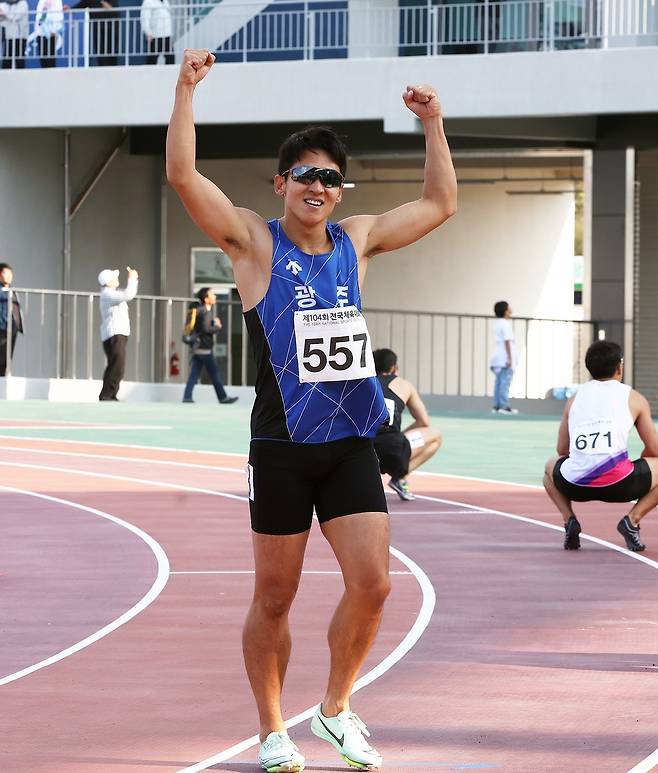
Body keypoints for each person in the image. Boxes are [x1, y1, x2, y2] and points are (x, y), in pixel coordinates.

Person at [166, 48, 457, 772]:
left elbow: (439, 204)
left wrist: (434, 125)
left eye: (331, 176)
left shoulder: (355, 240)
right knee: (274, 595)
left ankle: (334, 707)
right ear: (282, 183)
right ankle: (272, 729)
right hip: (284, 445)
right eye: (307, 175)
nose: (320, 186)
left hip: (354, 436)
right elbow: (180, 175)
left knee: (376, 583)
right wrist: (185, 90)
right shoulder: (253, 242)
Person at [543, 340, 658, 553]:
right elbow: (654, 449)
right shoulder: (634, 397)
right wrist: (644, 463)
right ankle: (632, 521)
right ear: (619, 367)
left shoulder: (574, 399)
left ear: (589, 369)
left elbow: (562, 450)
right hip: (621, 484)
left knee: (549, 468)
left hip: (574, 484)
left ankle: (569, 520)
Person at [373, 348, 442, 501]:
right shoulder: (403, 384)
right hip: (393, 449)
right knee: (435, 435)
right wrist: (401, 435)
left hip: (363, 450)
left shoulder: (363, 383)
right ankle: (400, 477)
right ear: (394, 368)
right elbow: (423, 421)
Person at [182, 287, 238, 404]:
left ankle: (187, 396)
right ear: (206, 299)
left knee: (195, 374)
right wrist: (217, 326)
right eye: (212, 295)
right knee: (215, 374)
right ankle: (223, 397)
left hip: (199, 348)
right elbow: (205, 329)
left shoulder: (201, 310)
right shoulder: (204, 312)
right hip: (204, 349)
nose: (215, 296)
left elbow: (202, 327)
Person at [98, 266, 138, 401]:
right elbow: (128, 294)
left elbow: (126, 294)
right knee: (117, 365)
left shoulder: (110, 293)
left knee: (116, 365)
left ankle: (111, 394)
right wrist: (132, 279)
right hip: (114, 333)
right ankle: (107, 394)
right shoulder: (108, 294)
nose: (116, 279)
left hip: (117, 333)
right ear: (108, 282)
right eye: (114, 278)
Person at [66, 0, 120, 66]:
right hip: (97, 28)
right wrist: (70, 9)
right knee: (100, 50)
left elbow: (114, 10)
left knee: (112, 50)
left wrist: (107, 6)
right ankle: (102, 71)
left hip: (111, 27)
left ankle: (112, 70)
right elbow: (81, 5)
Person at [490, 299, 518, 414]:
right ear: (505, 311)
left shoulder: (497, 323)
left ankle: (497, 406)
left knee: (498, 382)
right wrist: (510, 359)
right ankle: (503, 405)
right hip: (504, 357)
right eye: (509, 308)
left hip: (498, 356)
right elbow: (507, 342)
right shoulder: (505, 324)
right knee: (504, 382)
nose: (511, 310)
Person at [0, 262, 23, 377]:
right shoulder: (2, 291)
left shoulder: (11, 290)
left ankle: (3, 380)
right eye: (5, 273)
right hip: (2, 327)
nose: (8, 276)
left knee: (7, 359)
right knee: (1, 357)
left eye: (10, 273)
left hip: (11, 329)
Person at [140, 0, 173, 65]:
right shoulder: (148, 2)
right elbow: (145, 18)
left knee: (170, 58)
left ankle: (169, 74)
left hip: (167, 34)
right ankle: (147, 74)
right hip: (156, 35)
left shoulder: (165, 1)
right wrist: (148, 32)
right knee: (152, 59)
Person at [32, 0, 64, 67]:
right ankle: (44, 74)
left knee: (50, 55)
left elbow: (58, 15)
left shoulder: (57, 1)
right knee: (42, 56)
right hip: (40, 32)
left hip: (51, 32)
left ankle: (52, 75)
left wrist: (54, 29)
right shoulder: (41, 1)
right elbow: (38, 14)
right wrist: (37, 28)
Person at [0, 0, 28, 69]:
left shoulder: (23, 3)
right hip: (8, 36)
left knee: (19, 60)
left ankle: (22, 78)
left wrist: (4, 15)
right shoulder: (5, 4)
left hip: (20, 36)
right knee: (6, 61)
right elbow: (2, 20)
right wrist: (4, 16)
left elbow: (15, 17)